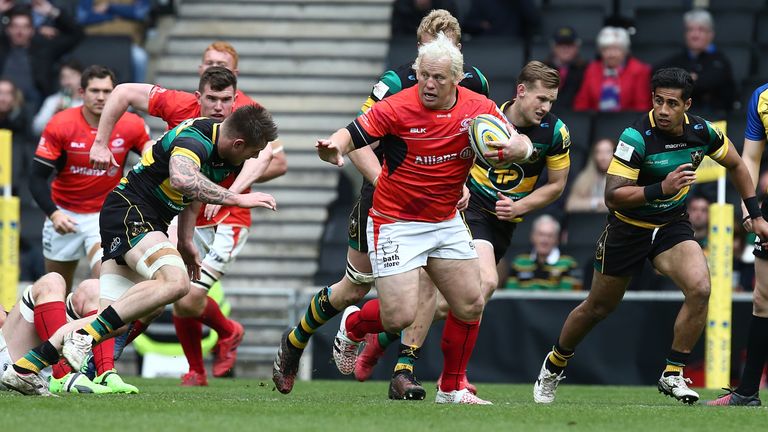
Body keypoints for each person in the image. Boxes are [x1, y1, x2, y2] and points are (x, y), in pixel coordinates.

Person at [271, 9, 488, 399]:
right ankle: (301, 338)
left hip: (439, 205)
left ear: (457, 56)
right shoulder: (393, 86)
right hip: (385, 198)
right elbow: (358, 143)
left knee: (436, 292)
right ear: (418, 49)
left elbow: (471, 138)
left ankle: (406, 370)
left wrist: (462, 181)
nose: (432, 73)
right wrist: (390, 182)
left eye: (447, 51)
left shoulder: (475, 85)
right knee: (355, 288)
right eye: (428, 53)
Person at [0, 103, 279, 396]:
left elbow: (191, 194)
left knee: (114, 321)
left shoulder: (226, 156)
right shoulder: (195, 138)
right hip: (130, 212)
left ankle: (25, 368)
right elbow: (185, 179)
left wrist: (185, 242)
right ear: (238, 143)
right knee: (176, 282)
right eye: (253, 151)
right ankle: (83, 338)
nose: (256, 157)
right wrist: (236, 199)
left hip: (144, 218)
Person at [316, 33, 533, 405]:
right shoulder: (397, 106)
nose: (429, 84)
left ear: (456, 79)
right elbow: (352, 133)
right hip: (396, 220)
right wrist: (334, 146)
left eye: (438, 78)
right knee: (398, 316)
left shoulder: (478, 106)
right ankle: (353, 326)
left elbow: (520, 143)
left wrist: (519, 147)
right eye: (423, 75)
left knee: (471, 301)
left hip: (445, 219)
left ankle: (451, 389)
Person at [532, 68, 768, 406]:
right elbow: (612, 195)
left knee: (700, 287)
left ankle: (672, 373)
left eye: (673, 103)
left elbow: (737, 164)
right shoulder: (636, 137)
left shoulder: (702, 131)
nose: (663, 110)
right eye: (658, 101)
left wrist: (754, 213)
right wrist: (662, 187)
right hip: (628, 228)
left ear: (687, 104)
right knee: (598, 307)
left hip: (671, 224)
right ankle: (555, 363)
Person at [355, 61, 571, 390]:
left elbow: (556, 185)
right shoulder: (485, 118)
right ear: (521, 91)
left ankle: (380, 332)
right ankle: (445, 379)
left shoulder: (556, 133)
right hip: (470, 208)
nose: (546, 107)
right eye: (541, 98)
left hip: (505, 219)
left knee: (445, 303)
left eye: (551, 101)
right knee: (483, 284)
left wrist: (519, 207)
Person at [30, 65, 150, 292]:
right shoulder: (60, 124)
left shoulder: (131, 124)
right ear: (81, 93)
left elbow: (149, 150)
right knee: (56, 288)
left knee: (104, 279)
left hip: (103, 215)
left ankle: (97, 325)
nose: (101, 97)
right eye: (95, 91)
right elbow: (36, 179)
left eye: (107, 92)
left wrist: (151, 150)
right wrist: (54, 214)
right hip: (64, 213)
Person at [705, 82, 768, 406]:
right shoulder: (762, 98)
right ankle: (747, 392)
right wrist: (750, 207)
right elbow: (751, 158)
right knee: (763, 300)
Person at [0, 274, 111, 395]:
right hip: (9, 357)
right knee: (51, 282)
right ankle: (62, 374)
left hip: (25, 344)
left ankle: (106, 374)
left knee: (93, 288)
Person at [0, 2, 84, 114]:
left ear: (32, 30)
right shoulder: (2, 46)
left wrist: (52, 12)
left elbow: (76, 34)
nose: (19, 32)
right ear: (8, 29)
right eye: (15, 26)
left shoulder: (43, 48)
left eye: (25, 27)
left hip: (33, 104)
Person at [654, 9, 735, 118]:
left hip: (715, 119)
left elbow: (713, 83)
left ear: (710, 34)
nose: (694, 35)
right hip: (682, 118)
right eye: (690, 30)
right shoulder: (676, 60)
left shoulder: (720, 61)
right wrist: (691, 80)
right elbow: (657, 75)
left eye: (701, 30)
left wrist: (683, 81)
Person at [573, 26, 651, 112]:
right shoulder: (592, 69)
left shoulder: (639, 70)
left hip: (628, 122)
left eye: (616, 49)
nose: (611, 55)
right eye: (606, 50)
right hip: (598, 122)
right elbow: (581, 103)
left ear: (625, 51)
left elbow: (641, 107)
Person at [76, 0, 151, 83]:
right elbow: (83, 17)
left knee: (140, 58)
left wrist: (110, 7)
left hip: (125, 42)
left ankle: (136, 93)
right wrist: (114, 16)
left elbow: (139, 13)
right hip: (94, 40)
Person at [506, 215, 580, 290]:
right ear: (532, 236)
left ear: (557, 239)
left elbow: (567, 297)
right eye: (541, 234)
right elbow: (510, 295)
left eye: (550, 236)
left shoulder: (568, 264)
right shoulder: (519, 262)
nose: (544, 240)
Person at [32, 59, 83, 136]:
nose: (68, 81)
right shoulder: (52, 101)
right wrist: (54, 116)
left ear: (82, 77)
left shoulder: (89, 101)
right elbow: (36, 129)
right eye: (64, 77)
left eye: (72, 76)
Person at [565, 138, 615, 212]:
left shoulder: (621, 178)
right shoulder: (585, 178)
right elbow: (570, 205)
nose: (603, 157)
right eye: (599, 152)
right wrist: (595, 203)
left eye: (608, 152)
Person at [543, 26, 587, 111]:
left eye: (569, 45)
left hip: (575, 117)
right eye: (561, 44)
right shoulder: (542, 69)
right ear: (553, 47)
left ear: (576, 47)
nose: (565, 48)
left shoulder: (585, 69)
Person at [389, 0, 459, 36]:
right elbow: (397, 34)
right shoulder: (401, 5)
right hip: (407, 45)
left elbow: (452, 32)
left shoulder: (446, 4)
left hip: (438, 46)